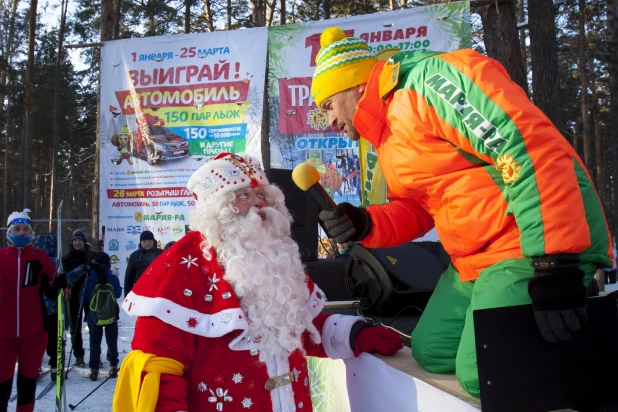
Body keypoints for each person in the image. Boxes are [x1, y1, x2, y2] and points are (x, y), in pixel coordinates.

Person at [310, 27, 614, 397]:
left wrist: (555, 263)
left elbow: (528, 150)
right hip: (474, 260)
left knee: (482, 374)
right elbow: (417, 209)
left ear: (357, 85)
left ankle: (595, 346)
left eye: (327, 106)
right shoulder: (388, 134)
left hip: (528, 248)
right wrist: (365, 223)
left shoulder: (430, 82)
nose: (328, 121)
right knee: (431, 351)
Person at [112, 153, 403, 412]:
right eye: (242, 196)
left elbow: (302, 330)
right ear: (217, 210)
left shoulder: (276, 257)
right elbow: (160, 367)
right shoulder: (181, 268)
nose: (258, 204)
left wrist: (355, 335)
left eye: (261, 194)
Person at [0, 209, 58, 412]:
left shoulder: (40, 257)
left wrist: (58, 283)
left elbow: (52, 290)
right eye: (17, 228)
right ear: (9, 231)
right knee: (2, 380)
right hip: (3, 332)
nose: (22, 233)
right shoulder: (0, 257)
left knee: (28, 380)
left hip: (33, 331)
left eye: (26, 229)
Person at [59, 229, 97, 368]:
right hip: (73, 295)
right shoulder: (67, 258)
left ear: (84, 241)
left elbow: (101, 270)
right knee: (75, 327)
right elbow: (68, 277)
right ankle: (78, 354)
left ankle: (95, 355)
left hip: (91, 295)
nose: (77, 242)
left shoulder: (92, 255)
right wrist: (83, 268)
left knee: (94, 325)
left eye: (79, 240)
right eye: (75, 240)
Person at [81, 252, 122, 381]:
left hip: (93, 315)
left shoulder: (89, 277)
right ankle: (113, 366)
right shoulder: (113, 277)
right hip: (111, 314)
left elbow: (84, 296)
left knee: (94, 342)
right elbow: (118, 294)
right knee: (111, 340)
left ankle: (94, 369)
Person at [34, 233, 59, 381]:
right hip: (48, 307)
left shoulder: (34, 260)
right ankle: (55, 364)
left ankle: (37, 365)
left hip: (38, 307)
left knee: (39, 339)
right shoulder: (53, 262)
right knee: (52, 338)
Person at [123, 230, 162, 297]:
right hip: (140, 293)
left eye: (149, 241)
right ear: (140, 242)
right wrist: (127, 297)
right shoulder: (134, 256)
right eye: (144, 241)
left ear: (153, 241)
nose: (147, 243)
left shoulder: (161, 254)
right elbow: (128, 278)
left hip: (157, 292)